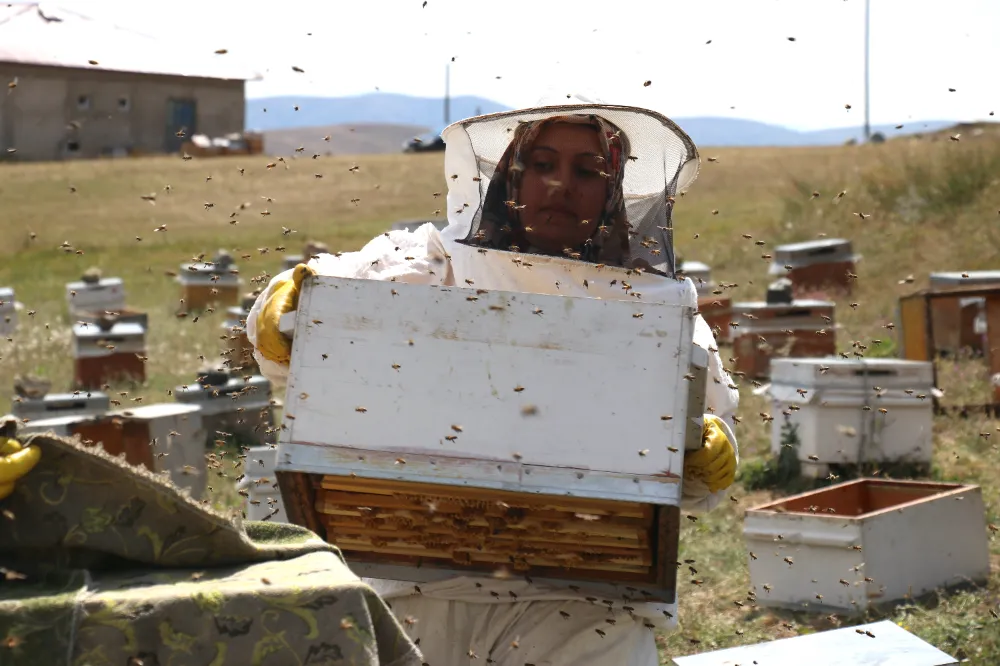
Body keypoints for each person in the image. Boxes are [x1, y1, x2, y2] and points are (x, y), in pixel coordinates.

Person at [246, 101, 739, 666]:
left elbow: (704, 463)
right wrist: (282, 309)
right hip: (417, 585)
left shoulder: (657, 310)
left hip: (584, 605)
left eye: (587, 171)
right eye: (541, 163)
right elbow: (303, 324)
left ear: (613, 191)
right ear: (510, 173)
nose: (560, 184)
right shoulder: (427, 265)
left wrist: (709, 452)